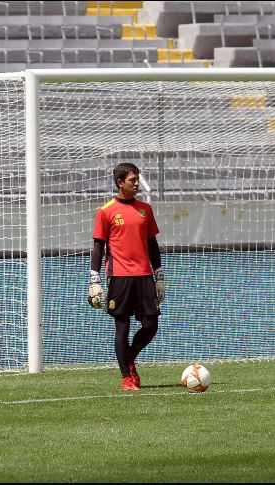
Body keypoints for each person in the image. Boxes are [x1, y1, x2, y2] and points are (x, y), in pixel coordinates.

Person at [88, 162, 166, 391]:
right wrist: (95, 279)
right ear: (120, 182)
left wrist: (159, 274)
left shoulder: (145, 209)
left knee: (151, 324)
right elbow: (98, 246)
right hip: (120, 276)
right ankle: (126, 378)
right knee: (122, 326)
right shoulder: (106, 211)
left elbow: (152, 244)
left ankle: (129, 357)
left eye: (137, 178)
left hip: (144, 276)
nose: (136, 183)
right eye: (132, 180)